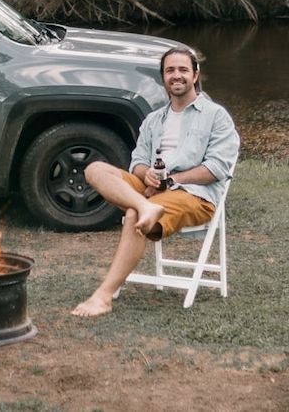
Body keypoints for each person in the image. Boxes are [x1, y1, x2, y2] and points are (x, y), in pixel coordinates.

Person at [70, 46, 239, 318]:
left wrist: (170, 180)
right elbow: (136, 162)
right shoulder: (153, 120)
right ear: (163, 78)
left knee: (134, 214)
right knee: (94, 169)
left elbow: (217, 168)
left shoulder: (215, 115)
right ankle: (144, 205)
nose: (177, 75)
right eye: (170, 70)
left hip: (194, 195)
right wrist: (144, 173)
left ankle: (103, 296)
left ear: (195, 75)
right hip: (151, 191)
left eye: (183, 69)